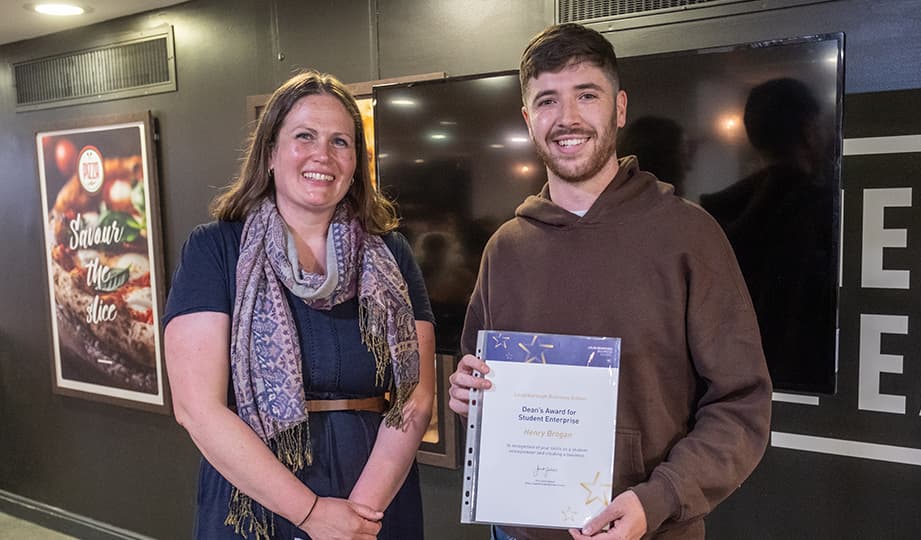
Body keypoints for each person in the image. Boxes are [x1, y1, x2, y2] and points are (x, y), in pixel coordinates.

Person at [448, 23, 772, 540]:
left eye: (586, 95)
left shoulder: (689, 235)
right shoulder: (505, 248)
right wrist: (470, 398)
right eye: (548, 101)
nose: (567, 118)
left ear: (619, 108)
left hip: (654, 531)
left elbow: (742, 404)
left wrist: (658, 499)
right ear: (529, 121)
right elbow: (479, 398)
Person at [163, 70, 436, 540]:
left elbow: (416, 394)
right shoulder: (215, 249)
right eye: (304, 136)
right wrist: (311, 514)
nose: (322, 156)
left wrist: (360, 515)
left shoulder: (391, 253)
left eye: (340, 142)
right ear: (270, 152)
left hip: (376, 491)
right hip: (258, 495)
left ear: (356, 162)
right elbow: (196, 408)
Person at [700, 77, 835, 391]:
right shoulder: (821, 211)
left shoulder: (710, 215)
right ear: (809, 131)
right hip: (805, 389)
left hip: (727, 389)